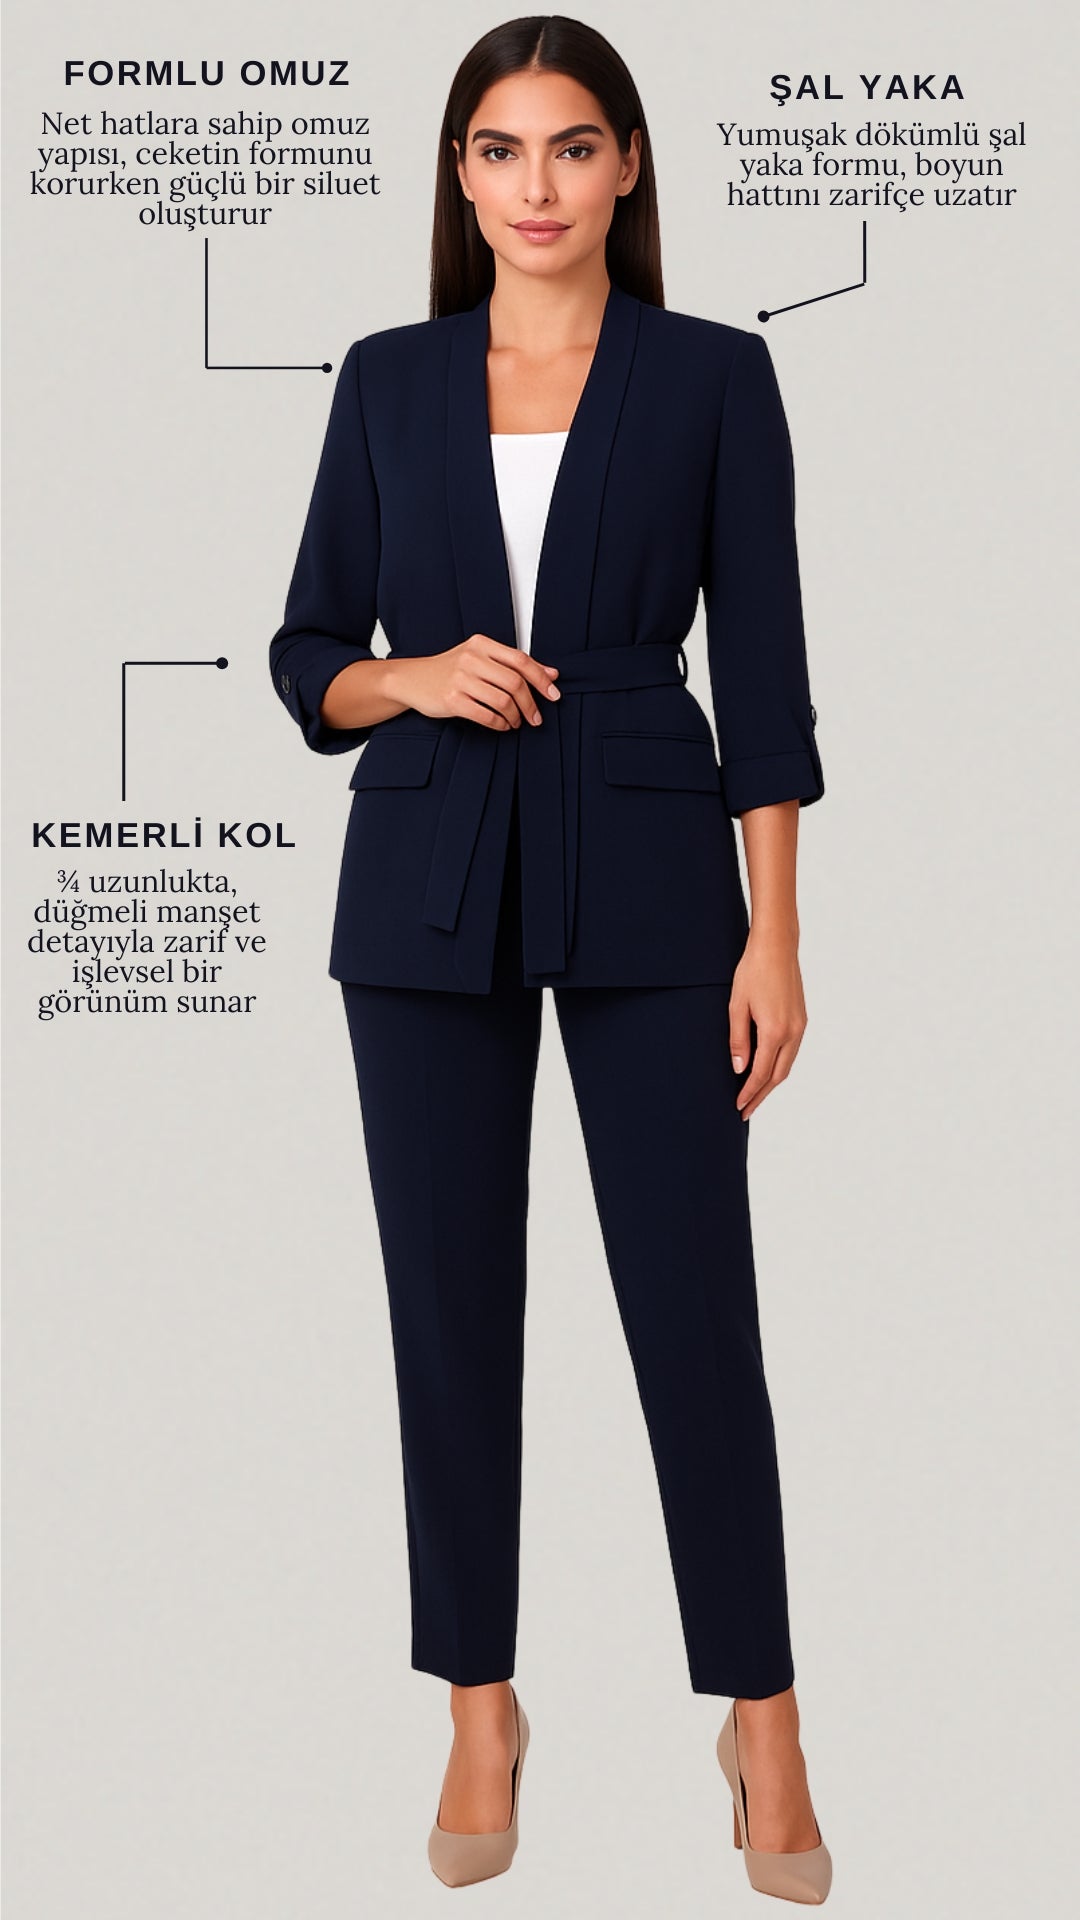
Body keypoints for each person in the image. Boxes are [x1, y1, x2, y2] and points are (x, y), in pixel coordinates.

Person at [269, 15, 832, 1903]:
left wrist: (776, 931)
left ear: (627, 166)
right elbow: (304, 654)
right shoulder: (388, 379)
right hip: (421, 879)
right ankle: (478, 1704)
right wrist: (414, 675)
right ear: (460, 177)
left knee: (695, 1314)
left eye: (573, 147)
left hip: (660, 880)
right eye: (501, 151)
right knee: (449, 1318)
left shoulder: (715, 375)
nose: (537, 186)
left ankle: (763, 1717)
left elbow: (767, 679)